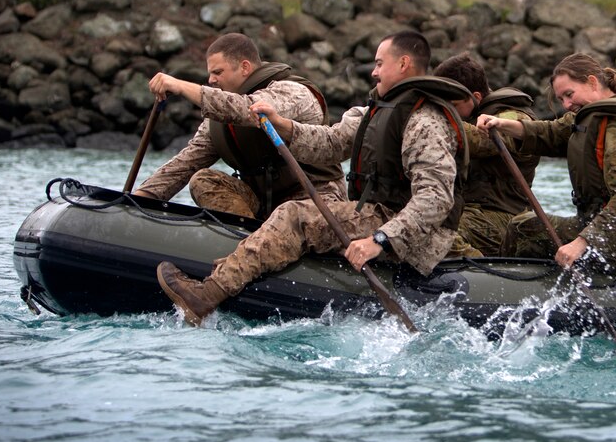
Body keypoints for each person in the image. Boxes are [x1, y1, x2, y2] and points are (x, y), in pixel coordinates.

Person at [155, 31, 472, 326]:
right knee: (290, 211)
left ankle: (206, 296)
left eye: (379, 63)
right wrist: (283, 125)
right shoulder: (373, 112)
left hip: (410, 234)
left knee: (295, 214)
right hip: (381, 215)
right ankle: (237, 268)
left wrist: (380, 240)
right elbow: (331, 143)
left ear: (403, 64)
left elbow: (435, 198)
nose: (373, 72)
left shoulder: (424, 120)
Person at [476, 53, 616, 277]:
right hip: (601, 228)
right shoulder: (591, 114)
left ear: (592, 82)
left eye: (569, 94)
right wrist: (501, 124)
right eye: (561, 100)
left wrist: (580, 243)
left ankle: (507, 286)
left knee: (523, 231)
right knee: (522, 225)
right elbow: (551, 132)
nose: (567, 105)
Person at [135, 32, 343, 219]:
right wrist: (141, 199)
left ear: (244, 67)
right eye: (210, 73)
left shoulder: (292, 92)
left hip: (315, 200)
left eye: (218, 72)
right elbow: (186, 162)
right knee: (203, 180)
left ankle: (253, 250)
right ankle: (244, 240)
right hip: (266, 205)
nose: (211, 80)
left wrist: (181, 86)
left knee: (288, 215)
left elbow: (248, 110)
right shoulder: (220, 117)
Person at [433, 53, 541, 257]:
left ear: (476, 97)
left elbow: (485, 140)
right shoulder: (468, 115)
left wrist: (431, 124)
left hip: (504, 219)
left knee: (437, 233)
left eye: (452, 106)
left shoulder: (515, 116)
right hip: (467, 210)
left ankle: (481, 273)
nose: (447, 111)